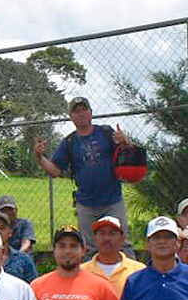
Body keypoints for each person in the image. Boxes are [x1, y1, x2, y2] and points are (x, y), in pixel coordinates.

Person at [34, 96, 131, 253]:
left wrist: (124, 142)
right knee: (90, 249)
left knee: (121, 245)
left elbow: (127, 157)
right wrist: (39, 157)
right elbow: (55, 170)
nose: (81, 114)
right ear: (71, 117)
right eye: (76, 111)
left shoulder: (106, 132)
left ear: (91, 113)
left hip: (113, 201)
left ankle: (129, 270)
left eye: (84, 110)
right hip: (86, 204)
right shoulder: (69, 142)